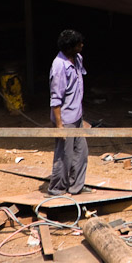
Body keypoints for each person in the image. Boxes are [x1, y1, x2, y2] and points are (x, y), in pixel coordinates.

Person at [47, 29, 88, 196]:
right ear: (70, 48)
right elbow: (56, 100)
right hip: (65, 119)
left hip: (76, 116)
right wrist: (59, 125)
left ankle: (76, 186)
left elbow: (77, 88)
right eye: (78, 44)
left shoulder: (77, 59)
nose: (82, 46)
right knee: (64, 155)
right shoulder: (58, 67)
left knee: (82, 152)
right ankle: (56, 188)